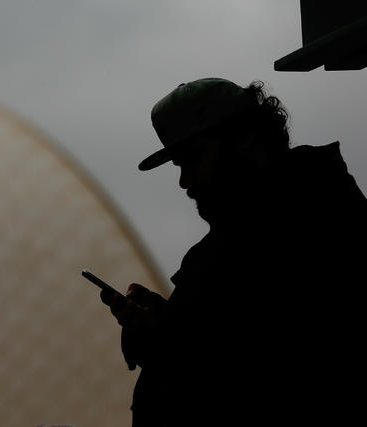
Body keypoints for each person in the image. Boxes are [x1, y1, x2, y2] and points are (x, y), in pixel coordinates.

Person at [100, 78, 367, 426]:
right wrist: (171, 325)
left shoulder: (315, 233)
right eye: (178, 164)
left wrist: (166, 343)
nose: (184, 181)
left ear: (245, 138)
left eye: (193, 158)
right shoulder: (257, 233)